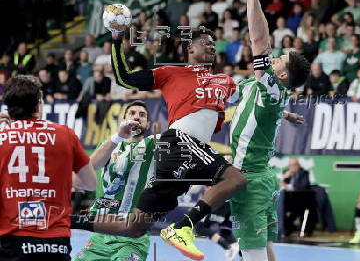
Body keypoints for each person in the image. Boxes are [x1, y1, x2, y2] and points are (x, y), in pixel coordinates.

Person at [73, 27, 247, 261]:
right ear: (190, 48)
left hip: (191, 152)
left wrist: (283, 112)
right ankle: (183, 227)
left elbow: (247, 102)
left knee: (134, 228)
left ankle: (67, 219)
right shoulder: (171, 72)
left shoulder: (225, 81)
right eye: (205, 42)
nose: (212, 46)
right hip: (180, 142)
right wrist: (116, 41)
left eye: (213, 44)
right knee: (236, 179)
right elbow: (125, 77)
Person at [229, 0, 310, 261]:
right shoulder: (270, 91)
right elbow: (267, 111)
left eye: (279, 61)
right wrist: (286, 115)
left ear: (284, 75)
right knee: (264, 249)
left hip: (248, 178)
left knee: (253, 254)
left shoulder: (272, 85)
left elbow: (259, 40)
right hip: (258, 177)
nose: (273, 59)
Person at [0, 75, 96, 261]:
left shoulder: (2, 138)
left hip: (12, 243)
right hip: (55, 243)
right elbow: (90, 184)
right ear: (38, 104)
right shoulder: (65, 134)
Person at [74, 101, 157, 261]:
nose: (137, 117)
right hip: (101, 234)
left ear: (148, 124)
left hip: (132, 236)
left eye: (142, 115)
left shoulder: (153, 144)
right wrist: (118, 137)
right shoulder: (109, 145)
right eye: (132, 113)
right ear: (124, 119)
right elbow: (91, 166)